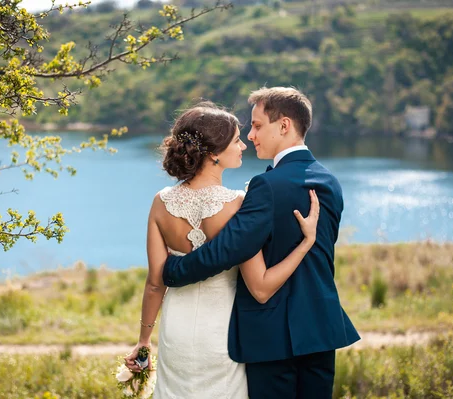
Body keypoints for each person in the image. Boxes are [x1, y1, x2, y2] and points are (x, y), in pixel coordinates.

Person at [161, 88, 360, 398]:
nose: (251, 135)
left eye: (256, 125)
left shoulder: (266, 185)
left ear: (284, 126)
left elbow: (227, 249)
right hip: (321, 330)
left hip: (272, 338)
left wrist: (173, 269)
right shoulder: (329, 182)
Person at [124, 101, 320, 398]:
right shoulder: (239, 205)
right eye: (236, 140)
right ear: (214, 154)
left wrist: (144, 340)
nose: (244, 145)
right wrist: (306, 243)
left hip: (176, 330)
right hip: (224, 333)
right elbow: (261, 284)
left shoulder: (160, 202)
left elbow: (155, 283)